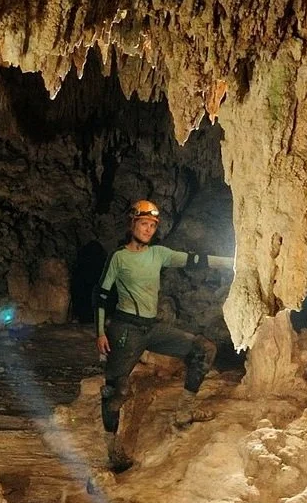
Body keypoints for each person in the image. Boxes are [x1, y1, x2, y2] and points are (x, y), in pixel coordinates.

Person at [96, 198, 233, 472]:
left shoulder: (158, 254)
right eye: (144, 224)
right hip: (126, 328)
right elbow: (100, 295)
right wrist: (100, 332)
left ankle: (184, 411)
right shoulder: (119, 258)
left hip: (152, 327)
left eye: (152, 226)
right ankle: (111, 446)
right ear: (132, 224)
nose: (148, 230)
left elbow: (195, 260)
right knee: (116, 391)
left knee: (203, 349)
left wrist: (233, 262)